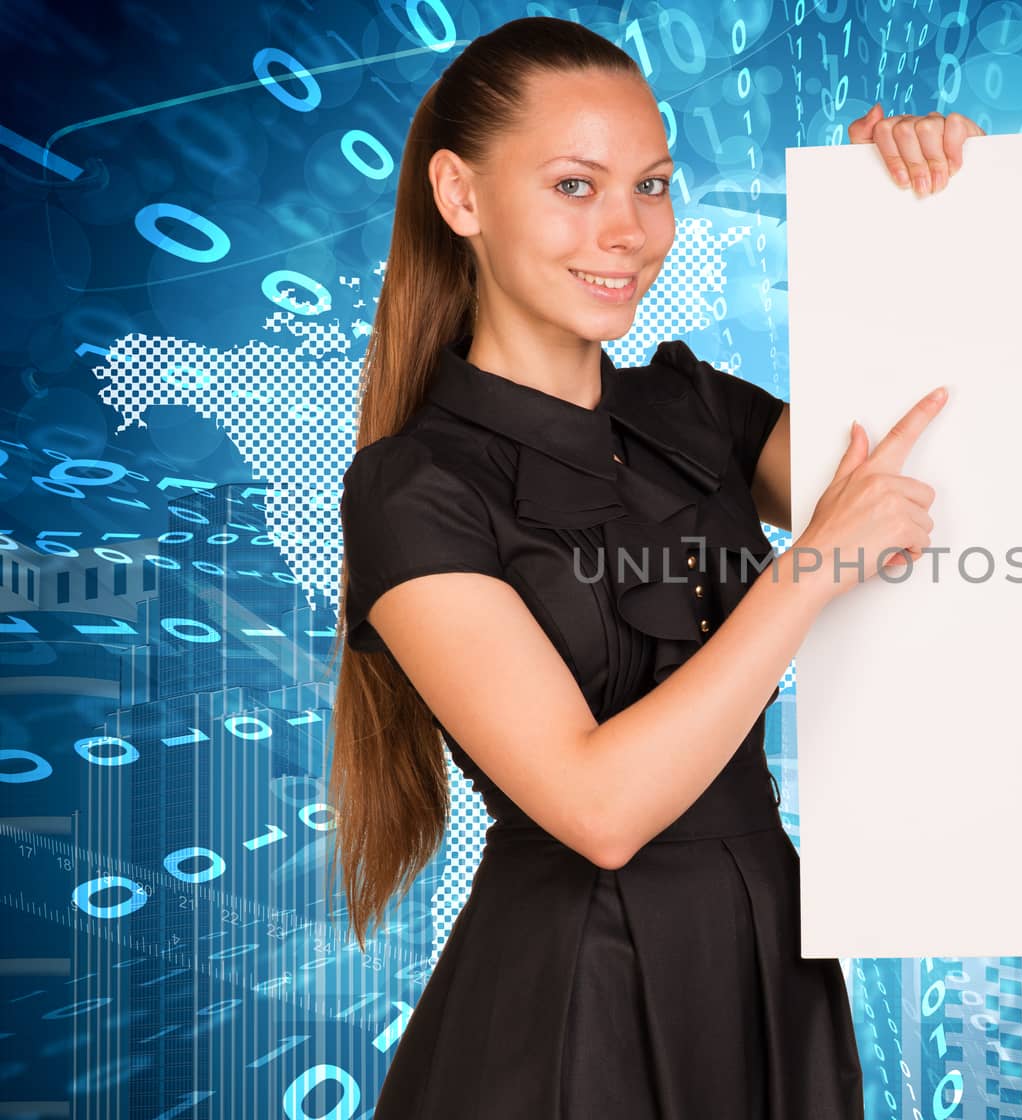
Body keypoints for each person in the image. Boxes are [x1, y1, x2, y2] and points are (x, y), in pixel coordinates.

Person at [327, 15, 979, 1119]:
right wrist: (806, 569)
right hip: (577, 992)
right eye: (576, 186)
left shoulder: (693, 408)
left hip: (774, 957)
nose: (628, 230)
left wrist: (911, 214)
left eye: (655, 185)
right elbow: (598, 807)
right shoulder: (413, 487)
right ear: (461, 196)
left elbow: (939, 479)